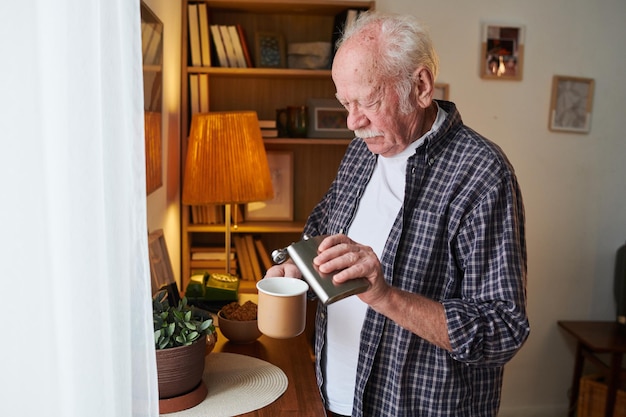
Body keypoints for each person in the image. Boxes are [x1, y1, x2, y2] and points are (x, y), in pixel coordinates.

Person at [265, 10, 529, 417]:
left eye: (367, 101)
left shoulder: (482, 172)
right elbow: (319, 229)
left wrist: (385, 296)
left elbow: (502, 330)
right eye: (345, 103)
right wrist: (292, 265)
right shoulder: (361, 150)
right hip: (333, 398)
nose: (353, 122)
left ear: (420, 86)